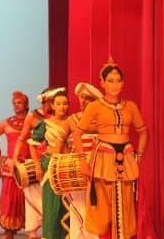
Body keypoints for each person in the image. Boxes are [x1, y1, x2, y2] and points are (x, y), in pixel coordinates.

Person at [72, 58, 148, 239]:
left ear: (123, 83)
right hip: (103, 161)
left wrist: (139, 157)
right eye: (110, 81)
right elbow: (77, 133)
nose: (114, 85)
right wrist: (83, 161)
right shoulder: (95, 106)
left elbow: (144, 132)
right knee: (102, 207)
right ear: (102, 83)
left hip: (127, 160)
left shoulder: (130, 107)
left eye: (118, 80)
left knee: (126, 204)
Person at [8, 88, 60, 239]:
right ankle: (32, 230)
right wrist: (14, 160)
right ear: (45, 101)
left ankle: (50, 225)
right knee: (31, 192)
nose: (54, 104)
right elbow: (22, 138)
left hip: (51, 160)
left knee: (50, 194)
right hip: (35, 160)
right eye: (52, 101)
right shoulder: (33, 116)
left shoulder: (59, 117)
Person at [28, 88, 72, 239]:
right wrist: (37, 166)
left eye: (65, 104)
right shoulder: (45, 124)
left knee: (68, 206)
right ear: (52, 106)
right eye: (59, 104)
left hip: (67, 167)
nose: (62, 107)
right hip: (50, 167)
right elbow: (32, 144)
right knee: (51, 205)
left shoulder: (72, 122)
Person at [0, 91, 29, 239]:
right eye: (14, 103)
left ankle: (31, 229)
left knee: (27, 197)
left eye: (19, 103)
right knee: (9, 198)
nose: (16, 106)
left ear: (26, 105)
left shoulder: (32, 122)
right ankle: (8, 231)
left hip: (27, 166)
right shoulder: (7, 123)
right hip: (11, 166)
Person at [65, 83, 101, 239]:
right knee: (77, 206)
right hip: (76, 168)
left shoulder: (102, 120)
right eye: (81, 98)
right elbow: (62, 146)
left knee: (95, 205)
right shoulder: (72, 120)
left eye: (87, 98)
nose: (83, 101)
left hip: (98, 168)